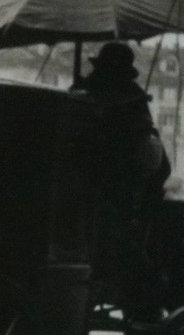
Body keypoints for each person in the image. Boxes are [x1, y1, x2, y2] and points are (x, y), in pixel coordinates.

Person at [72, 41, 171, 302]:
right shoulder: (134, 101)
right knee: (130, 233)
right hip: (115, 193)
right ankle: (147, 281)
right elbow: (156, 165)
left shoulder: (80, 92)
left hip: (75, 185)